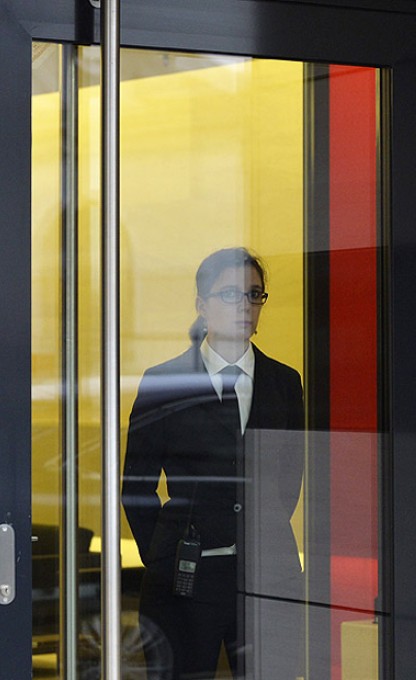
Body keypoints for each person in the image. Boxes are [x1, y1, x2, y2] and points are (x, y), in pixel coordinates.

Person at [123, 247, 304, 680]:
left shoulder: (285, 382)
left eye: (254, 295)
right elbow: (136, 484)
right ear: (202, 305)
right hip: (184, 580)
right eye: (229, 294)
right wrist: (163, 555)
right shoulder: (164, 382)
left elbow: (289, 477)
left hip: (268, 578)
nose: (244, 306)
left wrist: (261, 533)